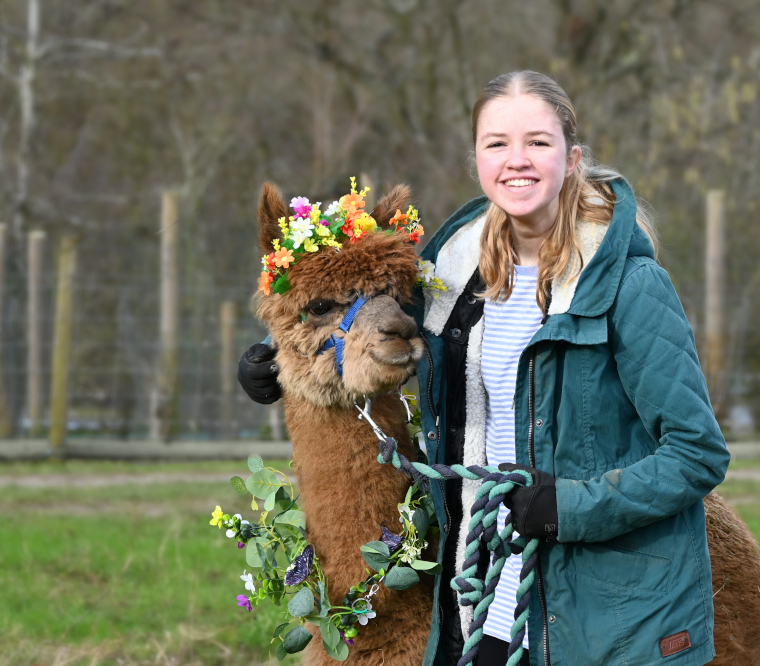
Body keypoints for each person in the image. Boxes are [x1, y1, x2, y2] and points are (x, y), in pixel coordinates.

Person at [239, 71, 729, 666]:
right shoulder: (452, 287)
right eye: (497, 143)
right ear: (477, 160)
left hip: (594, 617)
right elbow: (349, 323)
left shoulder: (629, 287)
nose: (516, 161)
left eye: (538, 143)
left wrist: (567, 508)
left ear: (572, 159)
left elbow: (697, 452)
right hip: (478, 607)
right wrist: (274, 363)